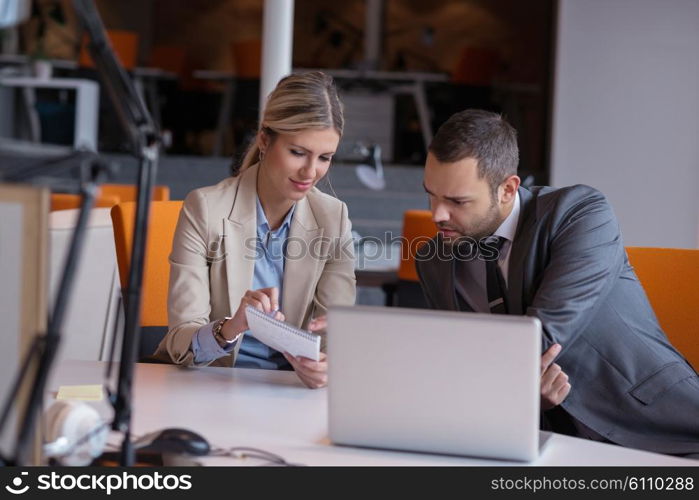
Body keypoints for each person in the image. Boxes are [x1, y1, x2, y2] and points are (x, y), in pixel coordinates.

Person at [415, 109, 699, 457]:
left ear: (507, 188)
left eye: (457, 201)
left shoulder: (578, 214)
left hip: (660, 429)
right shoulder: (436, 258)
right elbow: (456, 359)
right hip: (541, 438)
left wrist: (503, 387)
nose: (437, 214)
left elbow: (542, 336)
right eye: (431, 194)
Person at [154, 71, 356, 389]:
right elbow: (181, 339)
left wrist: (326, 366)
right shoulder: (205, 209)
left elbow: (338, 331)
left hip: (290, 388)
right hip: (210, 383)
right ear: (264, 139)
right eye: (298, 152)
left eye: (324, 158)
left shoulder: (334, 218)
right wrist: (230, 328)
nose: (310, 171)